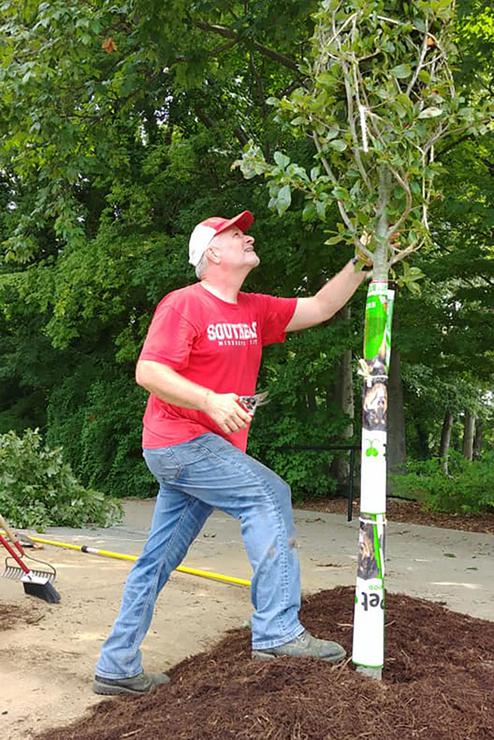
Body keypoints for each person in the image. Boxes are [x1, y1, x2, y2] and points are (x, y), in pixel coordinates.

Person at [93, 209, 369, 695]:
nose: (249, 238)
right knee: (268, 495)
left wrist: (362, 260)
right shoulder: (184, 304)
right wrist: (209, 400)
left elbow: (323, 305)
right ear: (212, 254)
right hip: (179, 442)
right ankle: (279, 630)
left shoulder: (253, 309)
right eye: (237, 235)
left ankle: (116, 666)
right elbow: (149, 372)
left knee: (157, 559)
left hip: (204, 451)